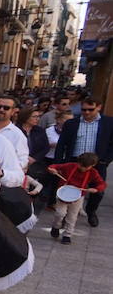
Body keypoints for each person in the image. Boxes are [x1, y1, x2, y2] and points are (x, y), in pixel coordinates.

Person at [55, 98, 113, 227]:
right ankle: (66, 215)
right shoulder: (72, 123)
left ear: (99, 107)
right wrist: (59, 162)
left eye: (90, 109)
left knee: (98, 191)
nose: (86, 112)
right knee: (70, 188)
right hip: (75, 162)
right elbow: (61, 144)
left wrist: (106, 160)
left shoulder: (108, 123)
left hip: (97, 163)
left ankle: (91, 211)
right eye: (84, 109)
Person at [47, 153, 107, 244]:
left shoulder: (93, 172)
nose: (82, 168)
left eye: (86, 167)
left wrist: (96, 189)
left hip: (78, 197)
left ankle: (67, 235)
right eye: (81, 165)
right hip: (63, 193)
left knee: (72, 217)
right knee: (60, 213)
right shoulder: (70, 166)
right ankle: (56, 226)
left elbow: (102, 184)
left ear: (93, 165)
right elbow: (55, 166)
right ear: (78, 162)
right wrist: (52, 169)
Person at [43, 109, 74, 209]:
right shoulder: (49, 130)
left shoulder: (72, 132)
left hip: (64, 159)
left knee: (59, 181)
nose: (68, 122)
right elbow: (46, 143)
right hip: (50, 158)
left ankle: (53, 202)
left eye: (71, 120)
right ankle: (44, 199)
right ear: (58, 119)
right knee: (47, 180)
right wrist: (60, 144)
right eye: (66, 119)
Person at [0, 96, 29, 170]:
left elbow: (22, 160)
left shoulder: (17, 135)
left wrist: (4, 172)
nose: (1, 110)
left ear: (13, 112)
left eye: (6, 108)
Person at [17, 107, 49, 177]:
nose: (37, 119)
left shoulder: (40, 131)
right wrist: (26, 157)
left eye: (38, 116)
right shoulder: (16, 130)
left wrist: (35, 158)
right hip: (18, 162)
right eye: (34, 117)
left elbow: (46, 147)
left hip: (35, 164)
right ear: (25, 117)